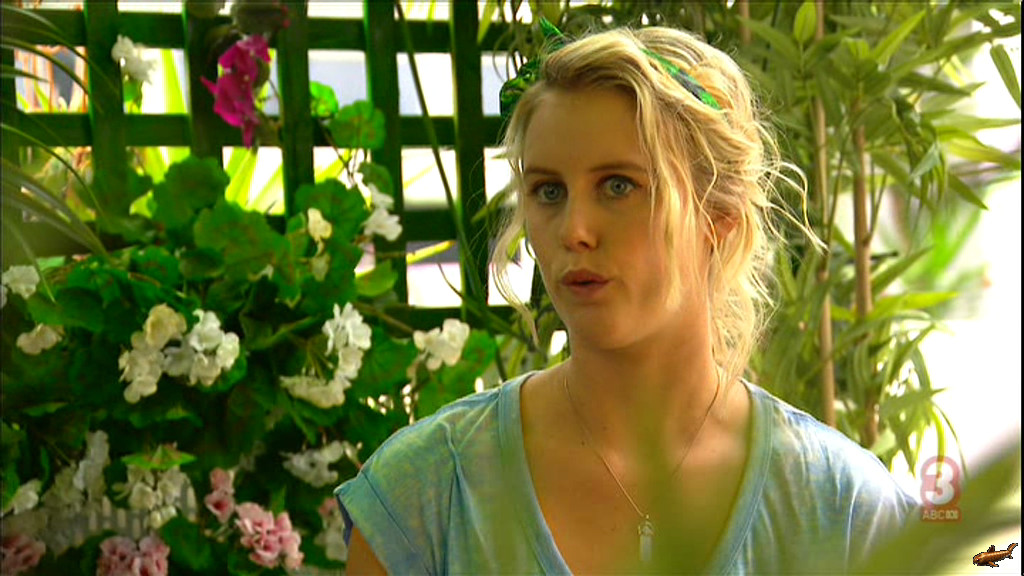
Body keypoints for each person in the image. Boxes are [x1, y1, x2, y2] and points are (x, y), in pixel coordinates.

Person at [336, 23, 919, 575]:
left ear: (718, 216)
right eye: (548, 191)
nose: (574, 230)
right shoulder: (429, 494)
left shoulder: (842, 508)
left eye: (618, 186)